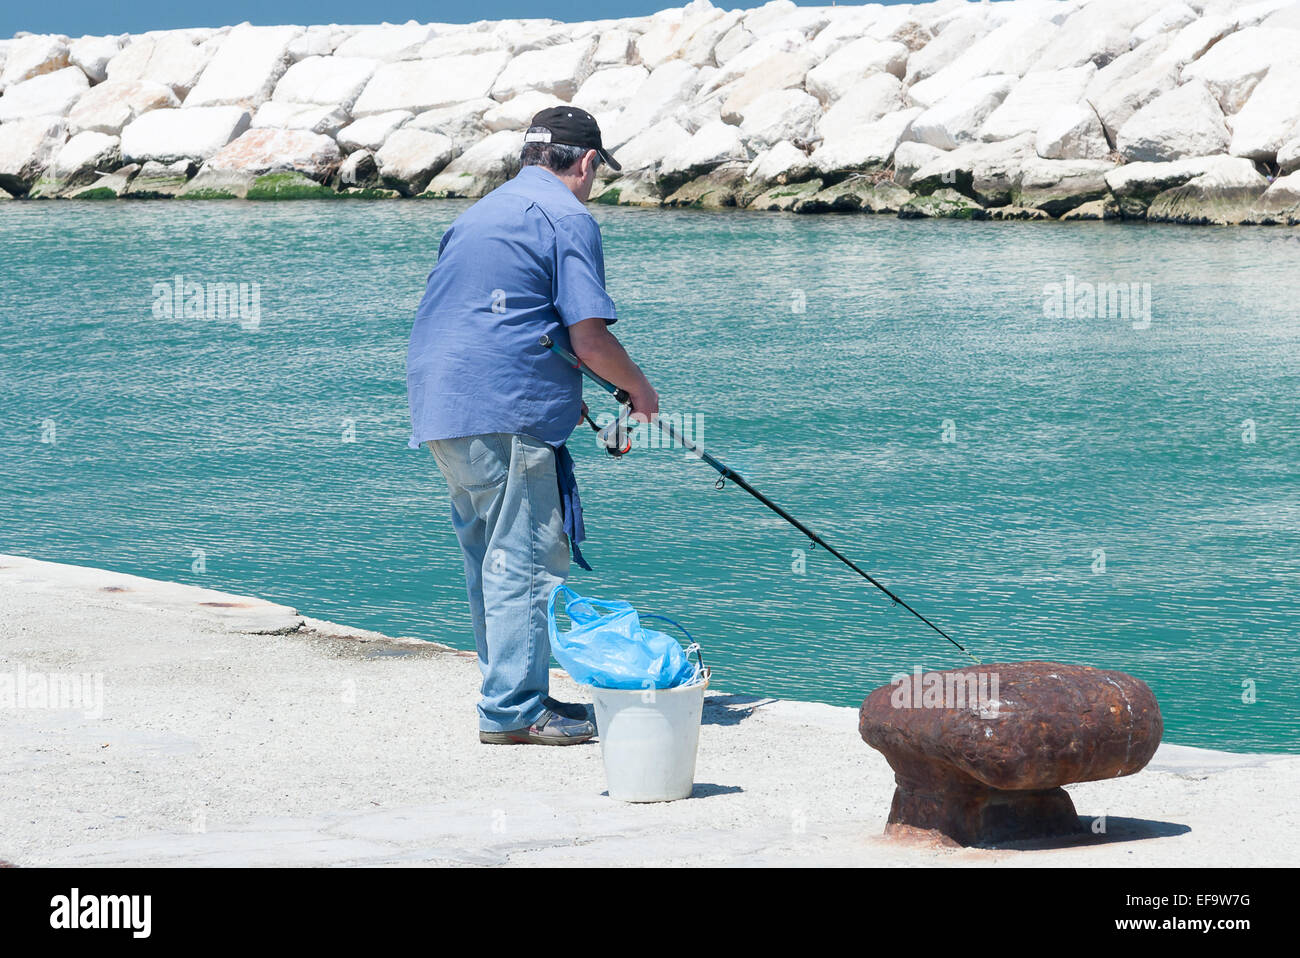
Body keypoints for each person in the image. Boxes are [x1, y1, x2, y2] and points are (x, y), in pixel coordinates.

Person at [406, 106, 659, 746]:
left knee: (491, 559)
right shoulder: (568, 216)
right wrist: (639, 390)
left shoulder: (480, 213)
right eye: (597, 170)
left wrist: (560, 393)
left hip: (443, 406)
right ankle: (515, 712)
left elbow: (492, 318)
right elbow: (589, 335)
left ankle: (511, 696)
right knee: (525, 561)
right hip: (501, 411)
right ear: (587, 162)